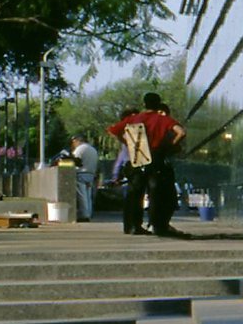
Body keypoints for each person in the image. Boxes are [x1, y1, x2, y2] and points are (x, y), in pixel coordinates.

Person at [110, 94, 189, 237]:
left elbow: (114, 130)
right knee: (157, 194)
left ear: (144, 104)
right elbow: (181, 132)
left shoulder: (134, 119)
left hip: (139, 157)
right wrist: (170, 145)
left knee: (135, 194)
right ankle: (158, 225)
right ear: (159, 104)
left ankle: (133, 226)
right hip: (156, 157)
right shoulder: (163, 119)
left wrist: (128, 142)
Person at [70, 132, 99, 221]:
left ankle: (84, 215)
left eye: (73, 142)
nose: (73, 144)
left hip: (81, 174)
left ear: (78, 140)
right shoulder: (93, 150)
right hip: (91, 174)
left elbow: (74, 161)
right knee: (88, 195)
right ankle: (88, 213)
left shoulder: (79, 149)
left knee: (82, 196)